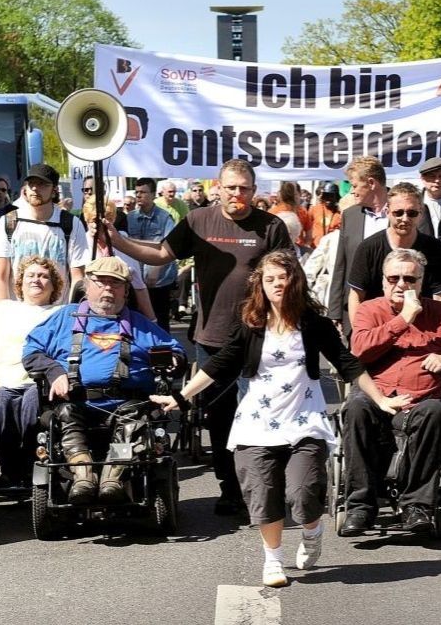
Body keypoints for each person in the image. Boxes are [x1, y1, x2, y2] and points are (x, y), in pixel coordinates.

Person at [156, 250, 390, 586]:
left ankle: (312, 531)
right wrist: (181, 397)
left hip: (303, 421)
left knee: (304, 493)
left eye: (283, 277)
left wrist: (380, 399)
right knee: (263, 492)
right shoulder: (251, 324)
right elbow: (220, 363)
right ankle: (273, 561)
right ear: (261, 285)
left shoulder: (314, 324)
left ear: (295, 280)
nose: (277, 284)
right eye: (270, 279)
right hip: (257, 423)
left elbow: (347, 363)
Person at [104, 159, 293, 515]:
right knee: (220, 417)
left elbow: (288, 279)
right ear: (217, 188)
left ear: (254, 191)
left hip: (260, 338)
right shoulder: (199, 220)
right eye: (231, 187)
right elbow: (161, 253)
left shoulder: (271, 227)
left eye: (245, 188)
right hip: (213, 337)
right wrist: (118, 241)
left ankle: (266, 486)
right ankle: (231, 488)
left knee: (263, 414)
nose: (238, 194)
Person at [22, 256, 185, 504]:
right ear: (87, 286)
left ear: (126, 291)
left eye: (115, 284)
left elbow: (176, 352)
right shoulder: (64, 317)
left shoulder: (141, 325)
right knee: (64, 415)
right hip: (76, 402)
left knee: (133, 419)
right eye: (101, 282)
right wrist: (55, 372)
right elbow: (31, 351)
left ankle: (113, 477)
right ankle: (83, 475)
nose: (108, 288)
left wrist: (174, 359)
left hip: (127, 405)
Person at [345, 248, 441, 535]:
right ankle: (360, 506)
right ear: (383, 281)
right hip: (378, 398)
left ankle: (416, 506)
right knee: (355, 408)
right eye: (393, 278)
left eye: (410, 279)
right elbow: (358, 351)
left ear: (421, 281)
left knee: (436, 413)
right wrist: (403, 319)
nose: (401, 285)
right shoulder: (370, 310)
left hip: (423, 400)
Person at [0, 256, 63, 488]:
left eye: (43, 276)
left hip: (41, 382)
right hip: (4, 382)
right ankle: (8, 470)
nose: (36, 279)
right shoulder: (3, 309)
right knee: (1, 405)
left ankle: (31, 465)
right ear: (20, 282)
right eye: (31, 275)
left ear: (54, 284)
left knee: (30, 402)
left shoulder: (60, 313)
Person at [346, 182, 441, 327]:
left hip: (422, 333)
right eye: (398, 213)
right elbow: (356, 297)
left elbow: (440, 298)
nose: (405, 218)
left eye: (412, 213)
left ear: (421, 213)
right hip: (378, 329)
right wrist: (361, 336)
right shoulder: (368, 248)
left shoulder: (435, 248)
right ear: (387, 211)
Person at [0, 164, 88, 305]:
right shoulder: (8, 222)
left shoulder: (71, 224)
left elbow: (77, 277)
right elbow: (0, 276)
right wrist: (2, 314)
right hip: (19, 313)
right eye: (31, 184)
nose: (35, 188)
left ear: (54, 191)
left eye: (42, 184)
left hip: (58, 314)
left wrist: (70, 315)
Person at [328, 156, 389, 337]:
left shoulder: (406, 211)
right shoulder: (350, 216)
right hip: (356, 311)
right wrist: (335, 310)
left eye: (354, 186)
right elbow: (341, 263)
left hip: (395, 309)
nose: (351, 192)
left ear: (371, 183)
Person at [85, 196, 156, 322]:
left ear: (113, 220)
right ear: (87, 220)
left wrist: (152, 321)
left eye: (107, 220)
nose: (99, 226)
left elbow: (139, 286)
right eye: (94, 221)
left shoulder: (123, 241)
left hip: (123, 314)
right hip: (89, 315)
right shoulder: (82, 243)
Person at [127, 177, 177, 331]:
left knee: (160, 322)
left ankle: (165, 352)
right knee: (136, 321)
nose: (139, 195)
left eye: (143, 192)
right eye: (137, 192)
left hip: (159, 282)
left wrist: (156, 272)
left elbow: (168, 248)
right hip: (135, 279)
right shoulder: (130, 218)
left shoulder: (165, 218)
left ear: (154, 194)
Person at [270, 181, 313, 249]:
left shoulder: (304, 212)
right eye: (290, 195)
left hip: (298, 252)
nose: (293, 197)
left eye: (295, 194)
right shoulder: (273, 212)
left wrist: (305, 248)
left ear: (299, 194)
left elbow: (309, 235)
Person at [309, 181, 342, 247]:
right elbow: (307, 228)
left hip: (332, 247)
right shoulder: (314, 209)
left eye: (331, 196)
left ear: (336, 198)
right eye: (326, 196)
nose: (328, 199)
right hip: (315, 247)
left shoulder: (340, 213)